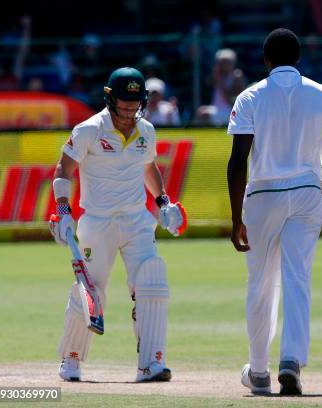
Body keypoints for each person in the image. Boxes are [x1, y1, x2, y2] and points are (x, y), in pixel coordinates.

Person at [227, 28, 322, 395]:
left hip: (263, 194)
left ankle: (258, 370)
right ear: (297, 58)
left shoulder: (250, 96)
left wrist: (236, 219)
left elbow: (237, 162)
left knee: (261, 284)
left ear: (266, 60)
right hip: (306, 194)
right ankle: (291, 360)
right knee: (298, 278)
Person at [49, 67, 187, 382]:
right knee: (92, 289)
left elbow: (149, 168)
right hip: (98, 221)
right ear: (110, 100)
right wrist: (63, 211)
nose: (129, 114)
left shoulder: (146, 130)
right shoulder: (88, 129)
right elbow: (62, 171)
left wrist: (163, 202)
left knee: (152, 280)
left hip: (137, 220)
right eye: (124, 107)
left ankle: (151, 363)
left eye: (134, 106)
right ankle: (71, 359)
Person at [197, 48, 246, 126]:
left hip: (231, 110)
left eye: (226, 63)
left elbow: (230, 100)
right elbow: (208, 83)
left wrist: (219, 81)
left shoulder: (237, 76)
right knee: (200, 110)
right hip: (216, 108)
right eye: (221, 63)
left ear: (233, 63)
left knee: (205, 114)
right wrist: (215, 74)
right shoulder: (219, 75)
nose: (224, 65)